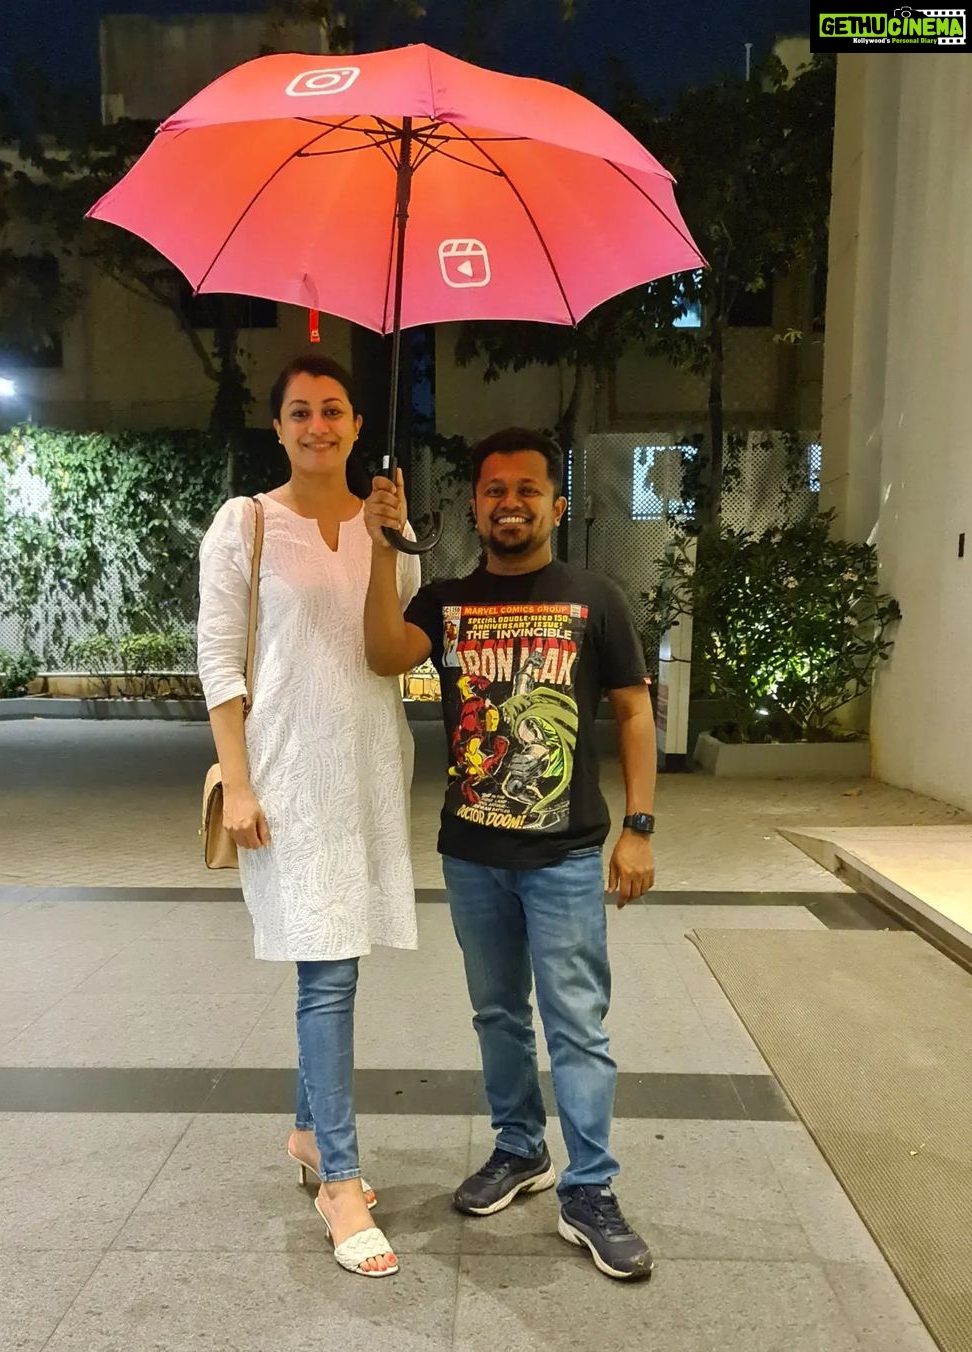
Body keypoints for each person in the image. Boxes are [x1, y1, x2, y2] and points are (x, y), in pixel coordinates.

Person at [363, 427, 657, 1282]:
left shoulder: (595, 599)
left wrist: (639, 827)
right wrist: (383, 547)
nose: (510, 503)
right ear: (474, 506)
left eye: (527, 489)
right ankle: (521, 1147)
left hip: (566, 855)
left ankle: (590, 1188)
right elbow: (382, 655)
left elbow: (634, 711)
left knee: (577, 1024)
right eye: (494, 490)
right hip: (472, 852)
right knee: (497, 1015)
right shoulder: (446, 600)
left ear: (556, 505)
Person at [197, 355, 421, 1278]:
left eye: (333, 410)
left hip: (368, 771)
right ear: (279, 426)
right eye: (300, 411)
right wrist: (239, 782)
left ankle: (305, 1130)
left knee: (336, 953)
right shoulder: (246, 523)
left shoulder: (392, 530)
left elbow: (393, 649)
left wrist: (393, 541)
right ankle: (340, 1178)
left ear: (359, 424)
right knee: (327, 971)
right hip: (287, 777)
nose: (318, 425)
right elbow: (219, 661)